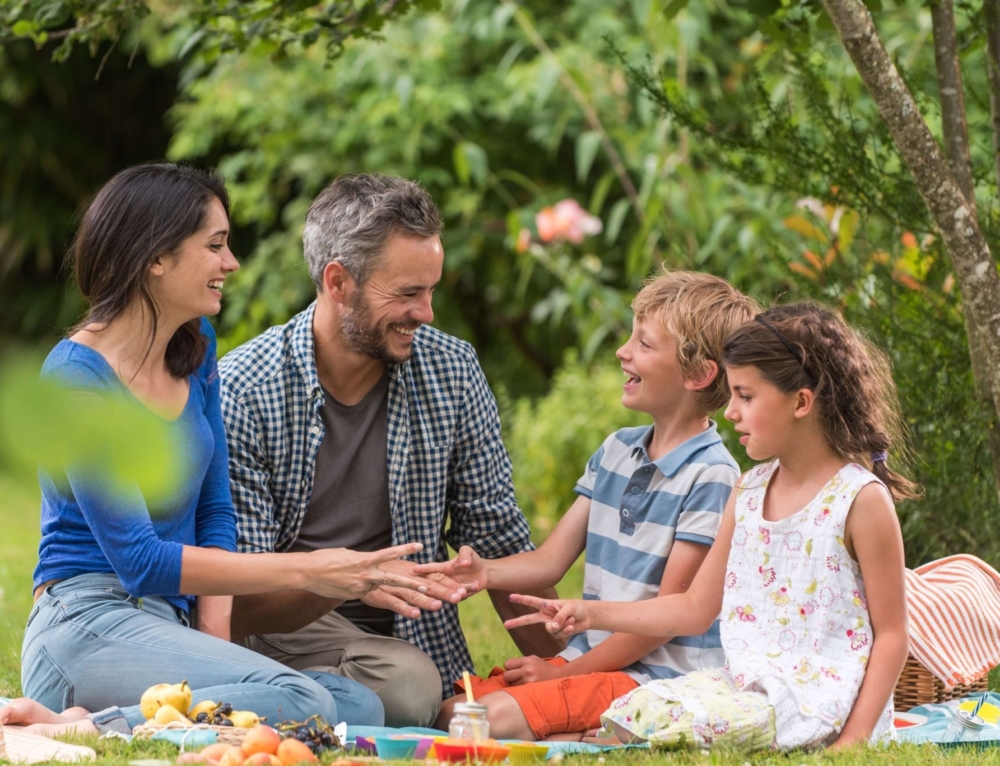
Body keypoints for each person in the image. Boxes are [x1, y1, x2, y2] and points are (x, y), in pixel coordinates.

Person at [1, 163, 438, 738]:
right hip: (88, 621)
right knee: (297, 697)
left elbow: (215, 511)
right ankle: (78, 726)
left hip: (167, 622)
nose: (230, 263)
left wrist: (214, 644)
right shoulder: (77, 378)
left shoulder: (195, 346)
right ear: (156, 256)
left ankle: (105, 720)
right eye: (214, 245)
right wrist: (314, 568)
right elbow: (140, 560)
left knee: (356, 706)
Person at [218, 173, 558, 728]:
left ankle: (320, 705)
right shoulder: (244, 390)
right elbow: (238, 599)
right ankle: (298, 698)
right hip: (282, 629)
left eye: (431, 290)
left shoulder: (451, 369)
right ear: (338, 283)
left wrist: (572, 668)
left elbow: (496, 536)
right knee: (408, 687)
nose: (425, 313)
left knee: (412, 682)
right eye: (406, 293)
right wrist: (344, 580)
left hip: (408, 639)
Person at [504, 303, 915, 752]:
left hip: (818, 699)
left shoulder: (859, 499)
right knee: (636, 709)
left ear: (801, 402)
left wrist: (853, 741)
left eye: (746, 396)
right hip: (742, 687)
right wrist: (592, 613)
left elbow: (893, 634)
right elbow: (695, 608)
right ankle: (612, 738)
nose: (731, 412)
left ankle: (620, 741)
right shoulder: (750, 491)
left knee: (674, 721)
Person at [416, 271, 760, 740]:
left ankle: (599, 736)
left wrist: (563, 676)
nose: (623, 351)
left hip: (653, 681)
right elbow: (549, 562)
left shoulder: (712, 476)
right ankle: (580, 736)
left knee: (475, 722)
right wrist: (485, 574)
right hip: (591, 662)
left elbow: (663, 622)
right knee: (452, 708)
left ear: (698, 374)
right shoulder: (617, 450)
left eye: (643, 343)